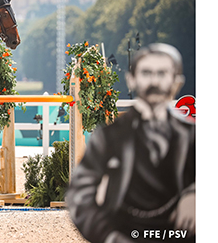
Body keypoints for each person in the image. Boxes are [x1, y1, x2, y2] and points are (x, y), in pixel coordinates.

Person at [66, 43, 195, 243]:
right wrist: (108, 236)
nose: (154, 81)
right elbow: (79, 194)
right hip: (125, 232)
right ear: (131, 80)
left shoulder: (193, 136)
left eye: (162, 73)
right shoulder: (108, 136)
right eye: (146, 73)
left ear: (177, 82)